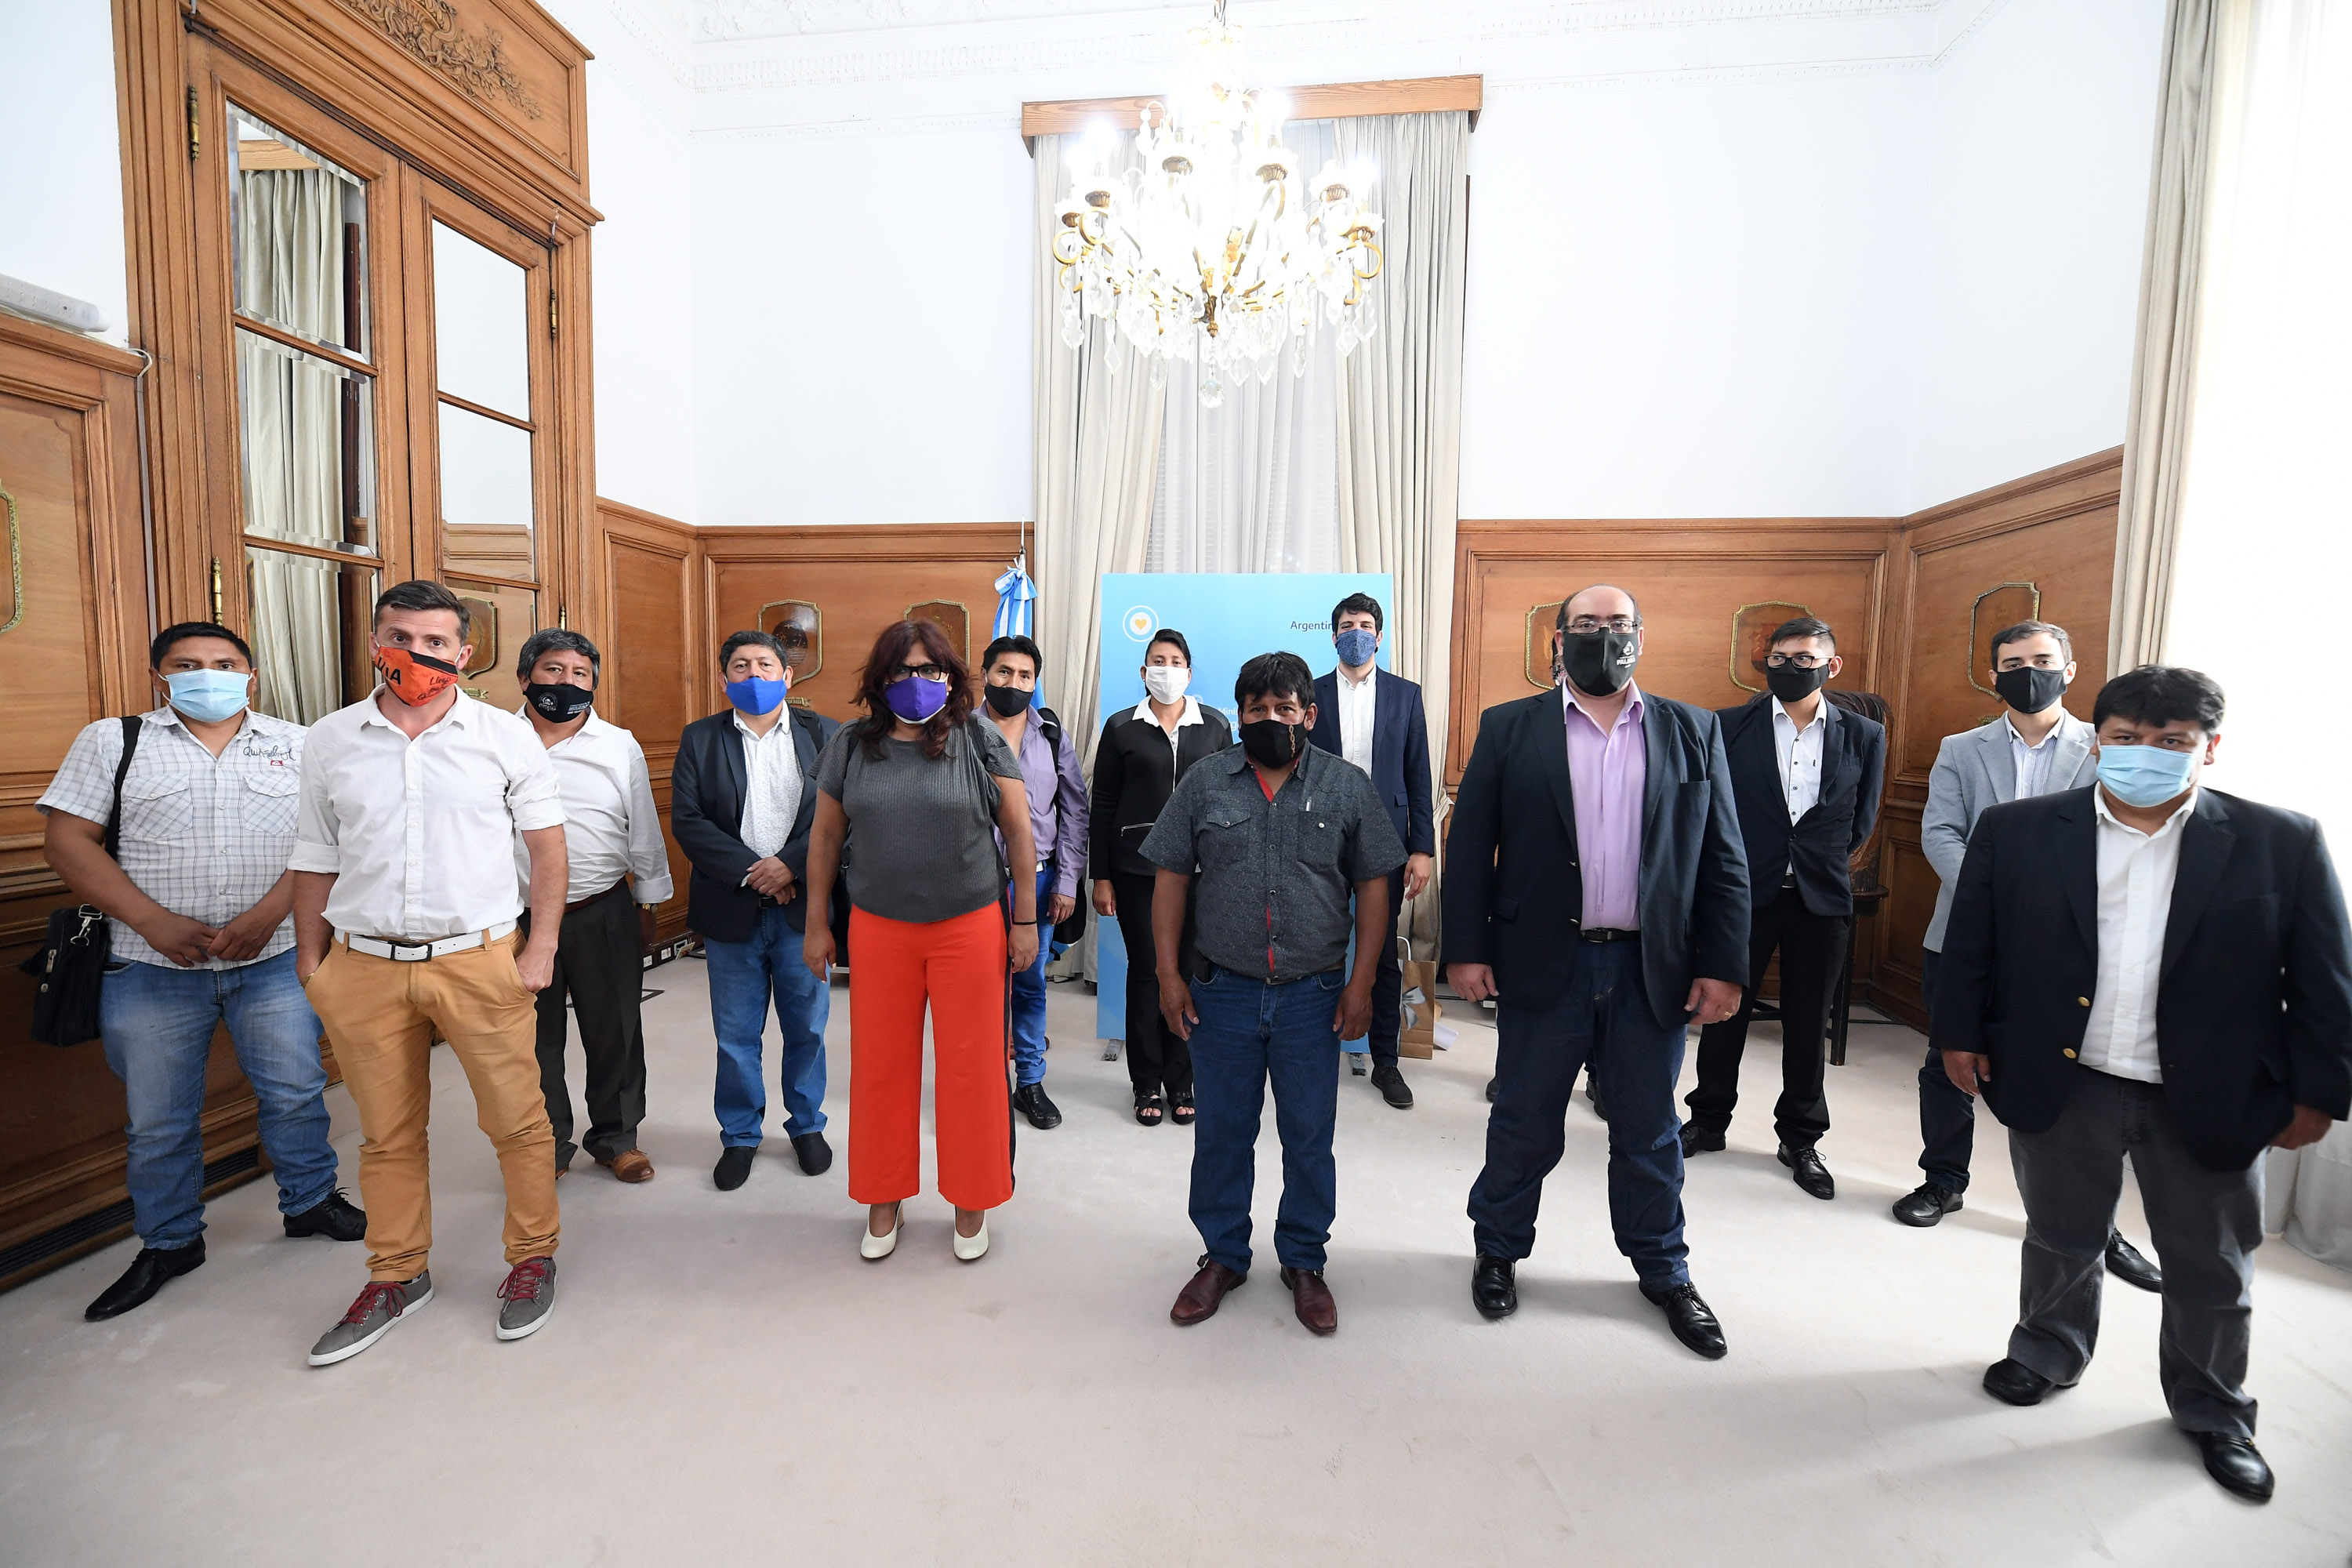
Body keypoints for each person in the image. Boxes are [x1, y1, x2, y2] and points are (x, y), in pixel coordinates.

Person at [1934, 666, 2351, 1503]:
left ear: (2210, 748)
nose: (2146, 754)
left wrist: (2320, 1092)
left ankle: (2214, 1407)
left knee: (2212, 1260)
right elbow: (1973, 944)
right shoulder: (2017, 831)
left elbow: (2324, 981)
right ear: (2098, 742)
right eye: (2126, 738)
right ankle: (2047, 1349)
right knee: (2061, 1234)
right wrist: (1959, 1036)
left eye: (2172, 742)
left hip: (2212, 1087)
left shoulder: (2281, 840)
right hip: (2065, 1076)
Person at [1443, 586, 1749, 1359]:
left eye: (1618, 625)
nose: (1603, 637)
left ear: (1642, 636)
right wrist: (1465, 948)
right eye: (1586, 625)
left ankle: (1665, 1270)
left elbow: (1723, 856)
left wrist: (1723, 963)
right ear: (1559, 640)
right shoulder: (1510, 726)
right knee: (1524, 1120)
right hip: (1546, 962)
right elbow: (1471, 845)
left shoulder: (1692, 728)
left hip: (1652, 967)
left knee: (1649, 1130)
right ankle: (1498, 1249)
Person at [41, 622, 364, 1322]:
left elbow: (331, 841)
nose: (207, 675)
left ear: (251, 675)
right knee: (158, 1121)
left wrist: (268, 916)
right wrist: (153, 921)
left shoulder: (301, 744)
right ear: (159, 676)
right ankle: (170, 1241)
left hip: (273, 956)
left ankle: (311, 1201)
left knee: (296, 1092)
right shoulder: (114, 741)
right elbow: (67, 840)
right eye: (186, 665)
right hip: (150, 963)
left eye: (224, 663)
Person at [291, 581, 568, 1365]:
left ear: (463, 653)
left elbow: (547, 848)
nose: (415, 653)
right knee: (385, 1134)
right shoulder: (332, 739)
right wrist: (311, 960)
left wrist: (540, 947)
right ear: (375, 642)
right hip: (363, 963)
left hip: (478, 959)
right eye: (399, 637)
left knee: (517, 1120)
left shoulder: (504, 737)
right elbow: (315, 853)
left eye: (435, 641)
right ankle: (396, 1273)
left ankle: (532, 1257)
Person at [1147, 652, 1403, 1338]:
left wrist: (1361, 984)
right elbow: (1170, 877)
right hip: (1223, 993)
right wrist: (1168, 976)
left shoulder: (1347, 786)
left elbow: (1374, 886)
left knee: (1309, 1136)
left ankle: (1304, 1261)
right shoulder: (1206, 781)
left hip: (1313, 997)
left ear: (1308, 715)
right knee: (1222, 1134)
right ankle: (1223, 1256)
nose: (1270, 719)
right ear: (1239, 715)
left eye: (1284, 709)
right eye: (1256, 709)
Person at [1902, 623, 2162, 1296]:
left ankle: (2100, 1224)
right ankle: (1942, 1180)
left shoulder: (2105, 744)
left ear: (2069, 670)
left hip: (2072, 944)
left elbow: (2124, 833)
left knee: (2084, 1083)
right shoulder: (1961, 748)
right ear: (1993, 676)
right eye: (2013, 663)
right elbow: (1939, 832)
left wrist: (2046, 906)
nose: (2028, 671)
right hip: (1964, 935)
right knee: (1947, 1062)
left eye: (2042, 660)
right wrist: (1997, 901)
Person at [803, 619, 1037, 1263]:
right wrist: (817, 923)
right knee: (881, 1067)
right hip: (880, 929)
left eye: (930, 669)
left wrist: (1023, 922)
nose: (917, 680)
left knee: (973, 1069)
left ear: (950, 677)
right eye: (903, 670)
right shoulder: (851, 744)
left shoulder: (980, 739)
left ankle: (971, 1196)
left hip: (969, 926)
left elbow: (1019, 832)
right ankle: (884, 1196)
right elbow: (825, 837)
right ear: (881, 678)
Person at [1682, 617, 1883, 1199]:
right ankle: (1708, 1119)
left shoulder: (1863, 735)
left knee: (1807, 1022)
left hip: (1820, 897)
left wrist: (1813, 861)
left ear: (1831, 666)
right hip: (1741, 894)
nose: (1788, 667)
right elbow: (1712, 811)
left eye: (1803, 659)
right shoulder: (1727, 726)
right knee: (1724, 1010)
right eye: (1777, 658)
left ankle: (1800, 1137)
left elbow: (1862, 820)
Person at [670, 630, 840, 1190]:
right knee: (736, 1034)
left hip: (802, 909)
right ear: (725, 680)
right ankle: (740, 1135)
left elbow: (840, 817)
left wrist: (789, 865)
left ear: (788, 676)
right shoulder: (700, 738)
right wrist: (754, 871)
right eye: (741, 666)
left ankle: (807, 1125)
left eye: (765, 665)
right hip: (731, 907)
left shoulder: (827, 734)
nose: (754, 675)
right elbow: (689, 821)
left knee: (807, 1027)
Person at [512, 630, 673, 1184]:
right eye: (553, 670)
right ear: (525, 678)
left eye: (580, 674)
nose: (567, 682)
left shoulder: (617, 744)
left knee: (615, 1030)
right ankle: (547, 1143)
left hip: (601, 907)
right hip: (515, 916)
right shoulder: (495, 740)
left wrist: (649, 900)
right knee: (533, 1038)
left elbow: (643, 825)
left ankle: (617, 1137)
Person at [1090, 628, 1232, 1127]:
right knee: (1148, 971)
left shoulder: (1214, 726)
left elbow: (1228, 799)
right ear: (1143, 670)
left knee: (1190, 972)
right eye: (1157, 660)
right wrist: (1100, 876)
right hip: (1136, 871)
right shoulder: (1121, 727)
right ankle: (1146, 1081)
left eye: (1174, 661)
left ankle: (1182, 1079)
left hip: (1199, 873)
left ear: (1189, 673)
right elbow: (1103, 804)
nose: (1165, 669)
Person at [1308, 593, 1436, 1109]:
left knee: (1381, 954)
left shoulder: (1406, 695)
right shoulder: (1312, 692)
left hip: (1386, 840)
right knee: (1317, 949)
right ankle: (1311, 1054)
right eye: (1347, 625)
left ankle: (1386, 1061)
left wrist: (1422, 849)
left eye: (1364, 625)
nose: (1355, 633)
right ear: (1333, 635)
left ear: (1379, 636)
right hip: (1321, 838)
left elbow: (1419, 775)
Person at [978, 634, 1090, 1131]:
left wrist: (1067, 882)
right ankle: (985, 1085)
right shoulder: (958, 732)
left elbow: (1075, 812)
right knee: (979, 990)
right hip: (974, 885)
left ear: (1035, 682)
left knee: (1029, 985)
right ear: (985, 675)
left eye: (1025, 675)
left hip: (1038, 884)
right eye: (1004, 672)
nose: (1014, 683)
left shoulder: (1050, 735)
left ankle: (1029, 1081)